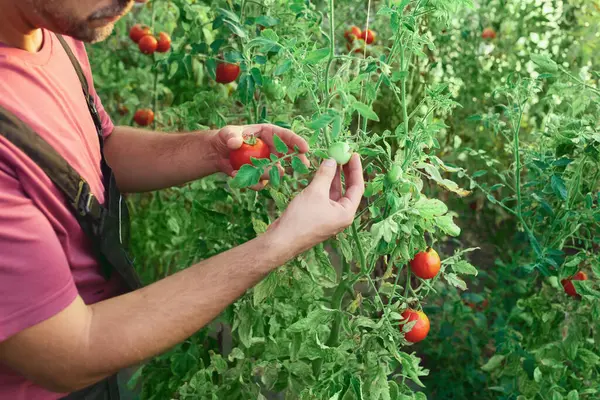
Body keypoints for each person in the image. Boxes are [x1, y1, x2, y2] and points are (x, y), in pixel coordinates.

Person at [0, 0, 365, 399]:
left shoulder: (49, 29)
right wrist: (279, 242)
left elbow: (98, 146)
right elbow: (69, 352)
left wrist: (210, 151)